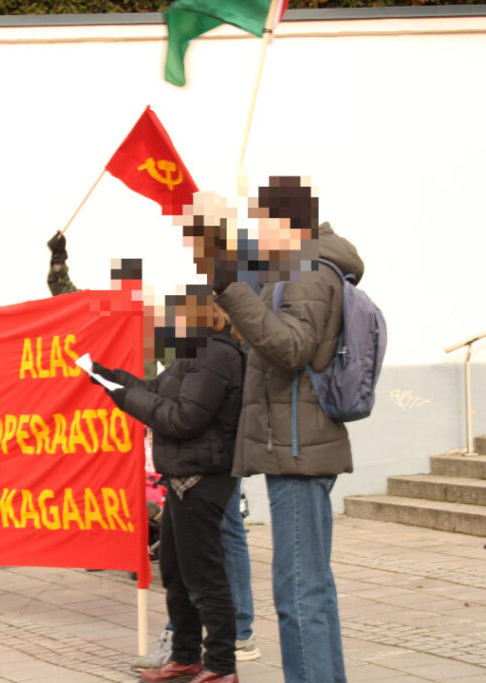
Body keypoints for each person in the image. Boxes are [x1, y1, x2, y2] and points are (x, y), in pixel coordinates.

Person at [203, 177, 358, 683]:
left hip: (297, 448)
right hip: (296, 444)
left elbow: (289, 349)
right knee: (311, 587)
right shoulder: (300, 270)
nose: (257, 234)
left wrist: (231, 289)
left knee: (298, 591)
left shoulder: (308, 273)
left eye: (262, 223)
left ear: (287, 223)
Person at [93, 286, 245, 683]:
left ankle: (221, 666)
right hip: (182, 478)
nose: (168, 323)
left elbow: (182, 419)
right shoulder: (194, 354)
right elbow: (155, 391)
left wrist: (125, 397)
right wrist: (110, 379)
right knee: (177, 573)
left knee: (204, 576)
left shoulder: (216, 355)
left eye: (175, 315)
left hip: (202, 479)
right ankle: (185, 657)